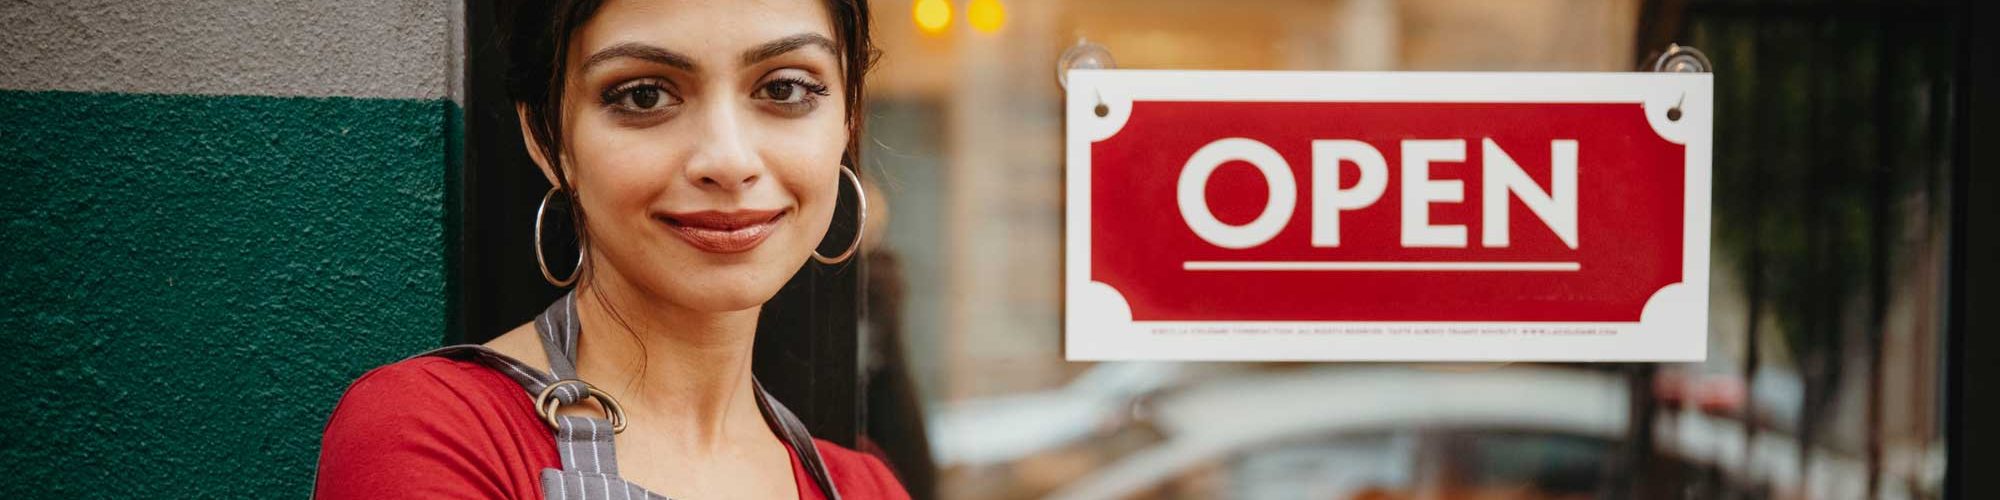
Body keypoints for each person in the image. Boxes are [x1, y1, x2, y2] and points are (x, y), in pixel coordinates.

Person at [313, 0, 909, 498]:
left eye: (786, 87)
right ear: (549, 140)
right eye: (644, 96)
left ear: (848, 119)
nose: (728, 161)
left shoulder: (867, 487)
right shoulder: (434, 434)